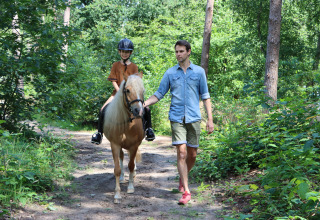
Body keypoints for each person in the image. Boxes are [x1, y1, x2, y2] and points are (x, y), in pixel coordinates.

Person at [143, 40, 214, 205]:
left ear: (188, 52)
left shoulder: (199, 72)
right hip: (176, 117)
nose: (178, 54)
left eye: (181, 51)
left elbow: (205, 96)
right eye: (176, 52)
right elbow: (159, 93)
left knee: (192, 154)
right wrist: (144, 103)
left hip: (194, 117)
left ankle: (183, 177)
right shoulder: (170, 73)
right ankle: (187, 192)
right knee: (181, 153)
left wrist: (210, 119)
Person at [91, 38, 155, 145]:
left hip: (132, 95)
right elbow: (113, 81)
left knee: (146, 109)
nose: (124, 54)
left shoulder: (134, 66)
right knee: (102, 109)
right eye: (123, 52)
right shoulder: (115, 65)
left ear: (130, 53)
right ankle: (99, 134)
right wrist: (119, 92)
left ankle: (149, 129)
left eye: (127, 52)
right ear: (119, 52)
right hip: (116, 93)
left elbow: (135, 82)